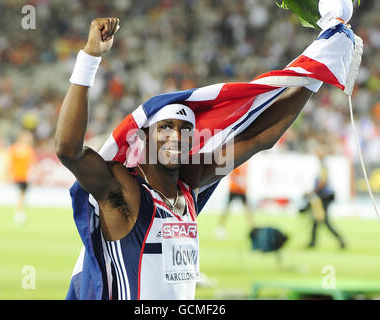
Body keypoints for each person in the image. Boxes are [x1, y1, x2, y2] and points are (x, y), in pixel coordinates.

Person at [55, 16, 360, 300]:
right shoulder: (124, 191)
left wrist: (318, 72)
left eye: (185, 129)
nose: (175, 137)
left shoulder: (192, 184)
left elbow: (258, 138)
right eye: (165, 128)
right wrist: (90, 58)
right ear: (143, 138)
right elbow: (69, 150)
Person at [301, 148, 346, 249]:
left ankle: (341, 241)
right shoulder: (323, 167)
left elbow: (322, 182)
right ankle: (312, 242)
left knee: (323, 220)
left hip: (325, 196)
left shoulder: (323, 167)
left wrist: (312, 192)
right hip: (324, 196)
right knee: (317, 219)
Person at [216, 163, 253, 239]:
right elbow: (233, 175)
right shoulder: (238, 162)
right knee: (227, 208)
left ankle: (253, 228)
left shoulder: (245, 164)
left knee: (247, 209)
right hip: (234, 188)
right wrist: (240, 182)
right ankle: (220, 227)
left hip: (242, 190)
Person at [8, 129, 36, 225]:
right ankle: (19, 214)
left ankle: (20, 213)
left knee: (22, 195)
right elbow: (32, 164)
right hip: (22, 176)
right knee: (21, 195)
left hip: (21, 176)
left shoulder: (15, 148)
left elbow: (10, 162)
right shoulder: (27, 149)